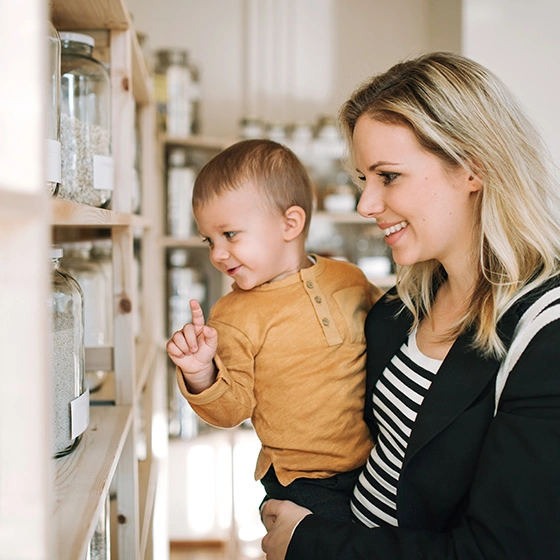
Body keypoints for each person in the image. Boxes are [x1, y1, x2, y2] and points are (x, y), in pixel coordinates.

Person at [261, 51, 560, 559]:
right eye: (363, 179)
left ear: (473, 168)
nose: (365, 204)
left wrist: (311, 542)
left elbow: (503, 550)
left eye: (389, 177)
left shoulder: (545, 333)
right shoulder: (402, 306)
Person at [166, 138, 383, 522]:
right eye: (209, 240)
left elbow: (392, 326)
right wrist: (200, 372)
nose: (216, 253)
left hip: (370, 465)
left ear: (290, 223)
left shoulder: (348, 278)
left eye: (229, 235)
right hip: (300, 482)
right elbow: (232, 409)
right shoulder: (232, 315)